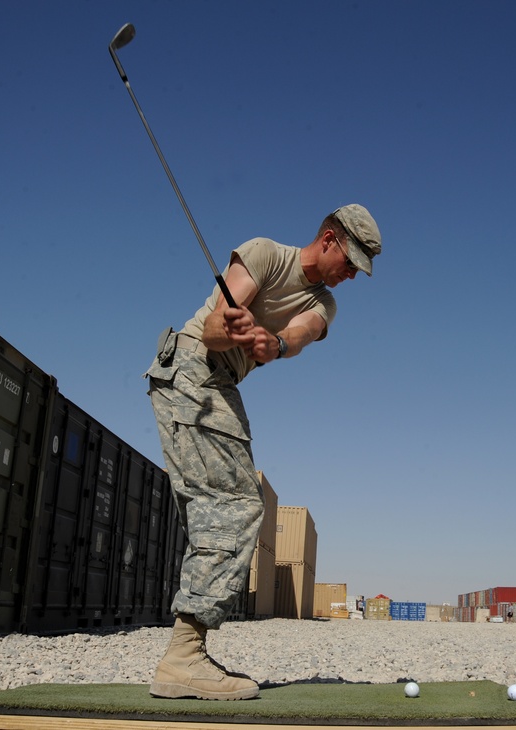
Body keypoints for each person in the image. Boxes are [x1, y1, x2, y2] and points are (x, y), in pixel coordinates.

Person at [143, 204, 382, 700]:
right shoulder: (265, 254)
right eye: (351, 261)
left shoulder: (325, 303)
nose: (352, 275)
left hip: (217, 382)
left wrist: (272, 342)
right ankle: (184, 658)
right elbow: (210, 330)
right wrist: (227, 327)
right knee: (237, 505)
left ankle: (185, 653)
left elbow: (300, 335)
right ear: (330, 238)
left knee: (218, 507)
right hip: (193, 367)